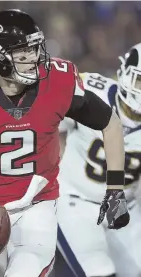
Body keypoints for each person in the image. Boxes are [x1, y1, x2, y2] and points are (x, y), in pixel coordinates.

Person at [0, 9, 129, 277]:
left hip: (38, 208)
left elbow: (110, 123)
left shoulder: (56, 81)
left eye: (34, 49)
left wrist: (115, 189)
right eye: (22, 53)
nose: (33, 59)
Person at [58, 43, 141, 277]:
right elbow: (49, 121)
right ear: (125, 72)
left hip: (126, 207)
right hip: (75, 201)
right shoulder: (92, 90)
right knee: (99, 271)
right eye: (140, 81)